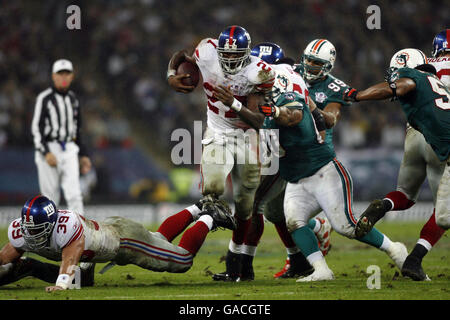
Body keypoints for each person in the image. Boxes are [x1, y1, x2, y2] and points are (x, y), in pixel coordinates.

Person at [215, 82, 408, 281]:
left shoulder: (290, 97)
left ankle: (394, 249)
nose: (250, 101)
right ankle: (321, 269)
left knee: (346, 227)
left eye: (253, 96)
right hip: (297, 181)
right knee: (294, 222)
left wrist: (275, 111)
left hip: (323, 172)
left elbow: (293, 116)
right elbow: (273, 146)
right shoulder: (266, 119)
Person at [167, 26, 276, 282]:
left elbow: (262, 122)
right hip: (217, 131)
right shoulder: (206, 50)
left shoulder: (259, 72)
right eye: (224, 55)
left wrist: (235, 103)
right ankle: (185, 247)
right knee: (212, 190)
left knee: (245, 206)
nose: (228, 60)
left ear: (246, 53)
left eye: (234, 55)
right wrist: (171, 74)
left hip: (248, 137)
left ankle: (236, 265)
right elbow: (181, 55)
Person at [345, 44, 450, 281]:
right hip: (440, 141)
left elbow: (400, 86)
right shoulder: (423, 74)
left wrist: (357, 95)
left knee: (405, 193)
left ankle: (385, 205)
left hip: (416, 134)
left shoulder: (417, 72)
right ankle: (414, 260)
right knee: (443, 212)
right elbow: (402, 85)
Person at [235, 42, 334, 281]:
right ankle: (301, 259)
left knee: (254, 202)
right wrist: (320, 128)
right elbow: (313, 110)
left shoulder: (271, 81)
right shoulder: (294, 76)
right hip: (293, 146)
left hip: (287, 149)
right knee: (275, 211)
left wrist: (235, 105)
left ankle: (242, 267)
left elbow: (265, 118)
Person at [0, 195, 236, 291]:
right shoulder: (23, 230)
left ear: (51, 224)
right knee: (159, 240)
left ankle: (208, 216)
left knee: (183, 260)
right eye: (28, 227)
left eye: (37, 228)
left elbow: (70, 259)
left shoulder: (66, 226)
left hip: (125, 242)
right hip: (110, 231)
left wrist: (61, 285)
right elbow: (4, 256)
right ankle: (197, 207)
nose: (30, 233)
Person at [31, 59, 92, 214]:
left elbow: (77, 130)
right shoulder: (44, 98)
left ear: (72, 76)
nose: (64, 77)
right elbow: (36, 129)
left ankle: (80, 232)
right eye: (60, 74)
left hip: (69, 148)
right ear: (53, 76)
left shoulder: (74, 99)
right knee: (50, 197)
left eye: (67, 74)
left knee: (75, 195)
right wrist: (46, 152)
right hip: (49, 147)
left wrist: (83, 154)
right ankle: (49, 235)